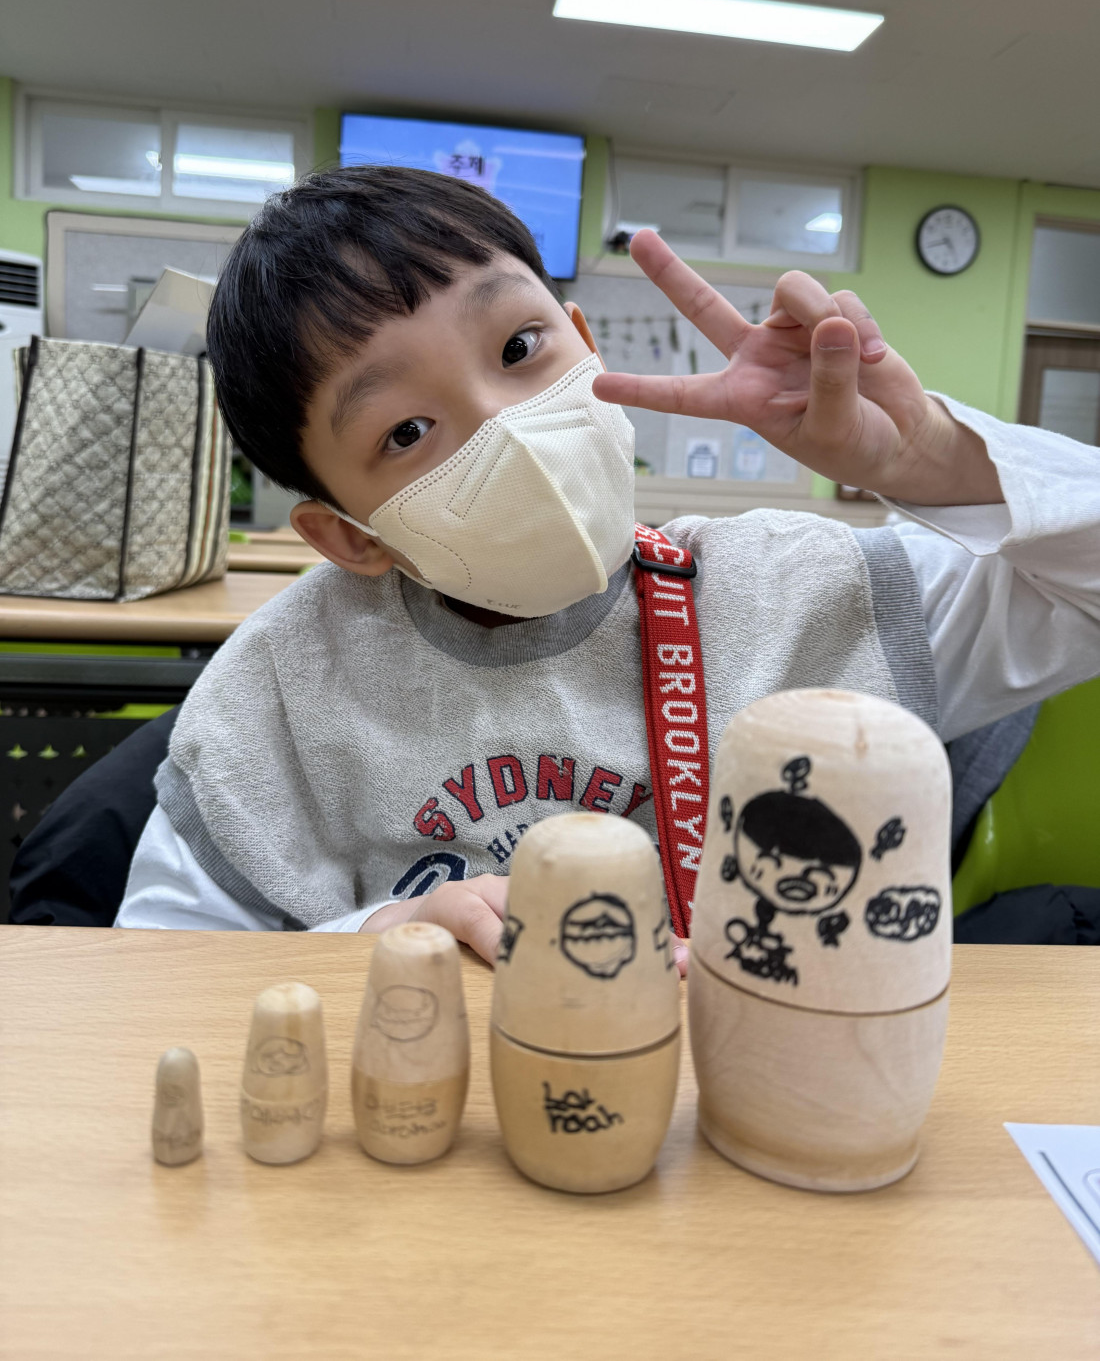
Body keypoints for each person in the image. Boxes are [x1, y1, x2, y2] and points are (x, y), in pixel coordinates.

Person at [114, 166, 1100, 965]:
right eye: (406, 431)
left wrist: (928, 460)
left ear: (585, 347)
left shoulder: (795, 590)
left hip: (769, 1114)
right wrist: (376, 939)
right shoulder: (284, 687)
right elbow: (160, 963)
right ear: (349, 537)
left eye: (519, 345)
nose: (505, 426)